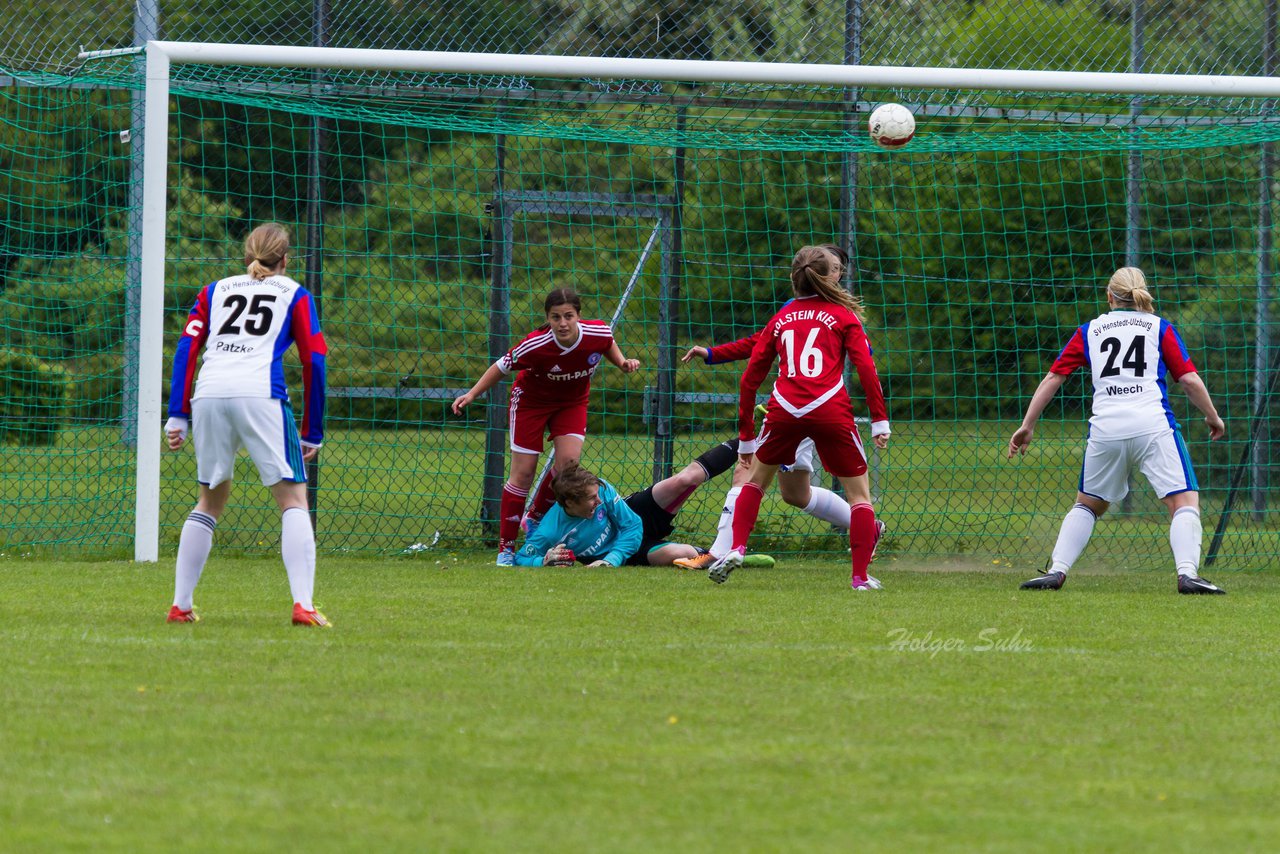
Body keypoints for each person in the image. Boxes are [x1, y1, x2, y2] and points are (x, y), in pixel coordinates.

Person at [1008, 266, 1226, 594]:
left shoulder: (1090, 330)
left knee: (1087, 505)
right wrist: (1212, 416)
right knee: (1183, 503)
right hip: (1152, 427)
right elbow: (1189, 379)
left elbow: (1053, 377)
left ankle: (1056, 572)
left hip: (1106, 431)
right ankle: (1187, 575)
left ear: (1109, 297)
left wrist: (1028, 425)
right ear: (1142, 295)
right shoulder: (1159, 327)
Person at [163, 223, 330, 626]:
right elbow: (315, 360)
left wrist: (177, 413)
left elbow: (187, 348)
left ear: (246, 255)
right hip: (260, 394)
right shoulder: (295, 293)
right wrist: (313, 429)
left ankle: (180, 605)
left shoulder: (213, 291)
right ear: (286, 259)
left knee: (210, 499)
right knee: (293, 500)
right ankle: (303, 606)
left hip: (209, 393)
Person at [676, 243, 872, 570]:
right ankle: (868, 527)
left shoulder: (841, 314)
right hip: (800, 407)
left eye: (839, 268)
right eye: (831, 266)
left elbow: (863, 356)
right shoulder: (793, 308)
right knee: (795, 494)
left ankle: (721, 550)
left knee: (748, 469)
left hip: (810, 409)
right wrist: (713, 354)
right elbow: (760, 343)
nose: (836, 272)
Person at [451, 288, 640, 565]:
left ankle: (535, 518)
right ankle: (505, 549)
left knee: (568, 466)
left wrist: (622, 362)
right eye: (555, 317)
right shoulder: (536, 344)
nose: (562, 323)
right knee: (523, 473)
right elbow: (500, 366)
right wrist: (472, 393)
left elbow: (607, 342)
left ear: (578, 316)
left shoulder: (596, 332)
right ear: (547, 319)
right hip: (530, 403)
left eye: (568, 316)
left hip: (572, 402)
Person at [513, 438, 741, 567]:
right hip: (627, 548)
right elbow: (521, 557)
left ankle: (751, 438)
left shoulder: (600, 487)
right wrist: (541, 562)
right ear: (570, 504)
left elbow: (632, 525)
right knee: (682, 554)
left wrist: (612, 560)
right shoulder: (550, 531)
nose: (599, 500)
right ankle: (729, 557)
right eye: (592, 499)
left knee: (685, 479)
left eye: (597, 494)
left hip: (632, 517)